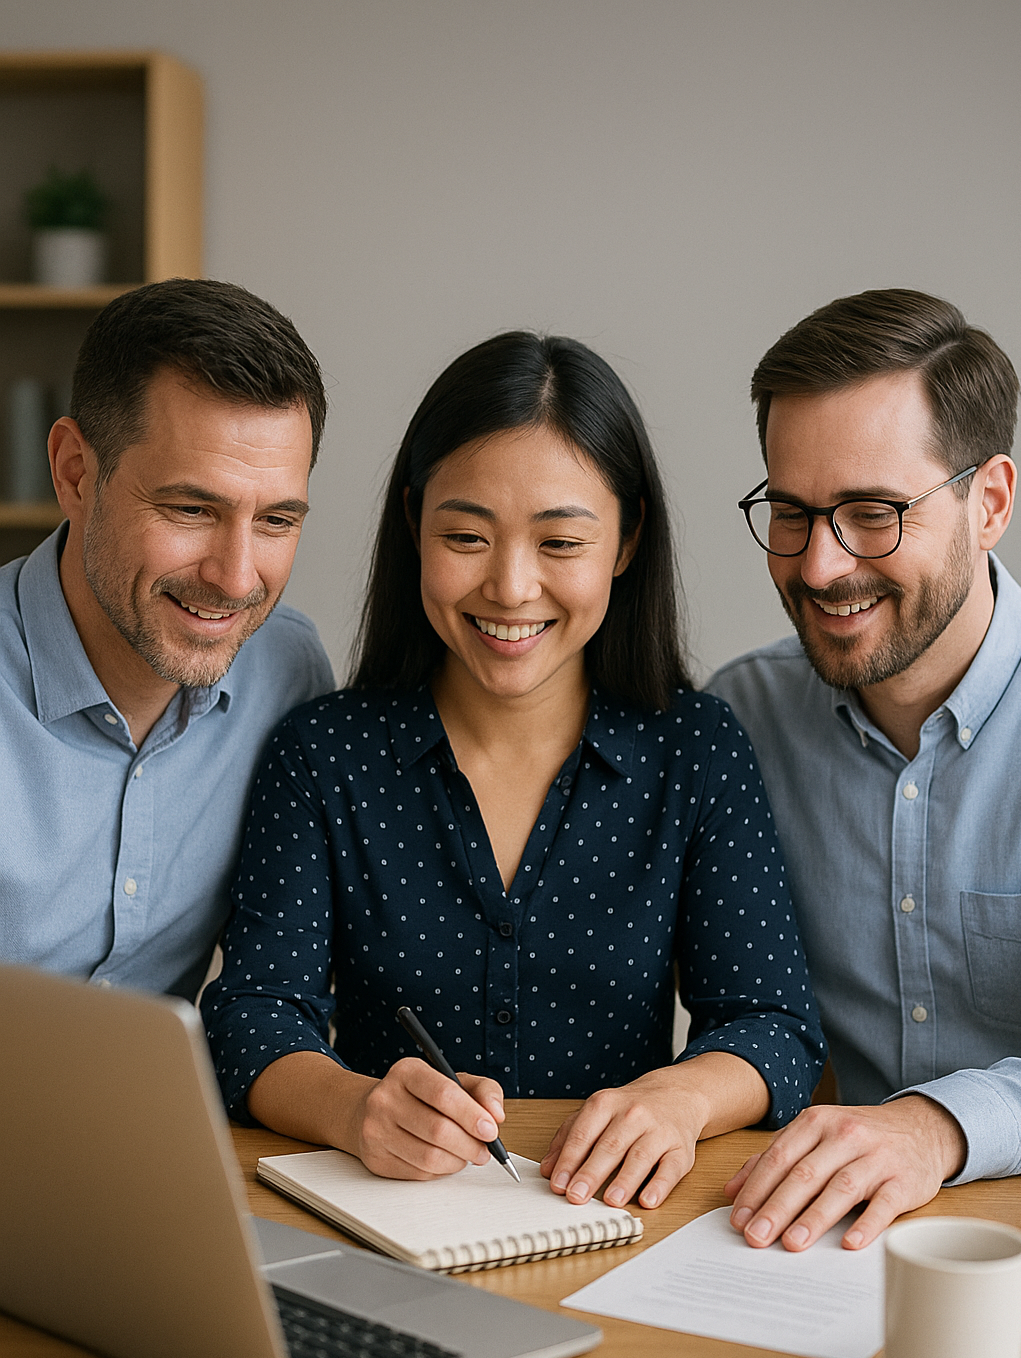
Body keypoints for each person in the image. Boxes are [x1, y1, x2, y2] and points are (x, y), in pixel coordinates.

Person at [202, 331, 825, 1212]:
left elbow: (774, 1025)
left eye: (560, 542)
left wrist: (679, 1099)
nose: (509, 586)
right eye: (465, 535)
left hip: (613, 1216)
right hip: (387, 1215)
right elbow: (253, 1015)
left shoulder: (696, 748)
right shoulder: (323, 754)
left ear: (627, 538)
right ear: (414, 522)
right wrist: (355, 1107)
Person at [708, 288, 1021, 1252]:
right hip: (816, 1236)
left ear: (990, 503)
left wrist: (936, 1127)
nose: (819, 566)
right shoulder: (742, 718)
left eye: (873, 513)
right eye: (792, 513)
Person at [0, 278, 334, 1001]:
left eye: (276, 521)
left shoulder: (288, 671)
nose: (235, 578)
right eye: (191, 509)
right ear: (75, 473)